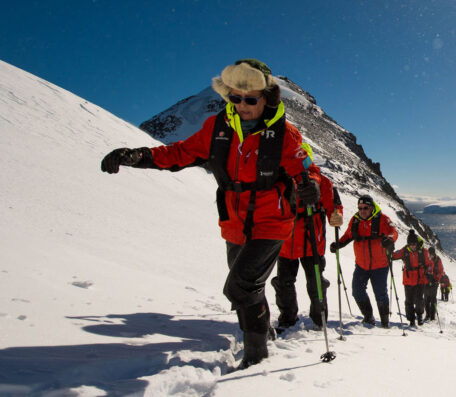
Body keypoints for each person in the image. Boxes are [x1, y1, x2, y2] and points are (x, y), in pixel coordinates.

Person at [100, 58, 319, 371]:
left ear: (267, 98)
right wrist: (138, 156)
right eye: (235, 98)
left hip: (272, 221)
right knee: (248, 288)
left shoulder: (285, 134)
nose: (242, 105)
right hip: (234, 222)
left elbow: (304, 167)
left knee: (240, 285)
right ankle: (262, 332)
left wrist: (309, 185)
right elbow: (179, 153)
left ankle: (257, 358)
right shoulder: (216, 128)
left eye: (251, 99)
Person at [271, 147, 344, 332]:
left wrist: (336, 215)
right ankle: (290, 318)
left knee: (314, 283)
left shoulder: (320, 181)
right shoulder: (279, 178)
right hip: (290, 242)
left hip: (309, 243)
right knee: (287, 283)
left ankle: (316, 318)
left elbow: (333, 206)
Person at [330, 195, 398, 328]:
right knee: (357, 291)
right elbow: (348, 235)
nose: (362, 210)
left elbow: (393, 232)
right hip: (361, 265)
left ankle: (385, 323)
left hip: (380, 265)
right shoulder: (355, 220)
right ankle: (368, 317)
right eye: (360, 208)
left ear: (371, 207)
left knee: (380, 294)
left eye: (365, 208)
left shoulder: (382, 219)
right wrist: (338, 244)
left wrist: (390, 239)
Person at [391, 230, 432, 327]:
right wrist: (389, 249)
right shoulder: (404, 250)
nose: (412, 246)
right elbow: (394, 255)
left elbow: (430, 264)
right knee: (409, 301)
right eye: (410, 244)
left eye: (414, 244)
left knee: (419, 300)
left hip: (420, 279)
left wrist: (429, 272)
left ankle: (419, 316)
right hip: (408, 280)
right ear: (408, 244)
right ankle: (411, 319)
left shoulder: (423, 252)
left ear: (417, 243)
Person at [424, 246, 444, 321]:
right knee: (426, 299)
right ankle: (427, 314)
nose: (430, 256)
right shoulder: (426, 259)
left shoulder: (438, 260)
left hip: (434, 282)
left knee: (433, 299)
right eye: (429, 254)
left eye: (432, 254)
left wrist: (437, 280)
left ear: (434, 254)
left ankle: (432, 315)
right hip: (426, 281)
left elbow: (441, 271)